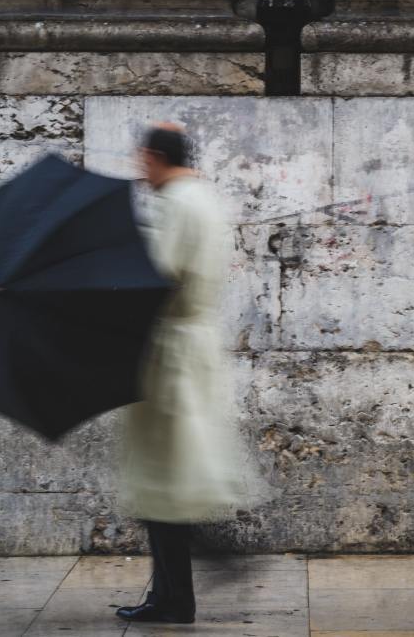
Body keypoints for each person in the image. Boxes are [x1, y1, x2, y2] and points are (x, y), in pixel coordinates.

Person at [113, 124, 274, 624]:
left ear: (156, 157)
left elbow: (155, 275)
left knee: (162, 478)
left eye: (142, 161)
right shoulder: (201, 199)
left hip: (170, 351)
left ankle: (200, 570)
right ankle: (173, 595)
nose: (140, 171)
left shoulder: (178, 204)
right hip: (188, 345)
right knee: (166, 476)